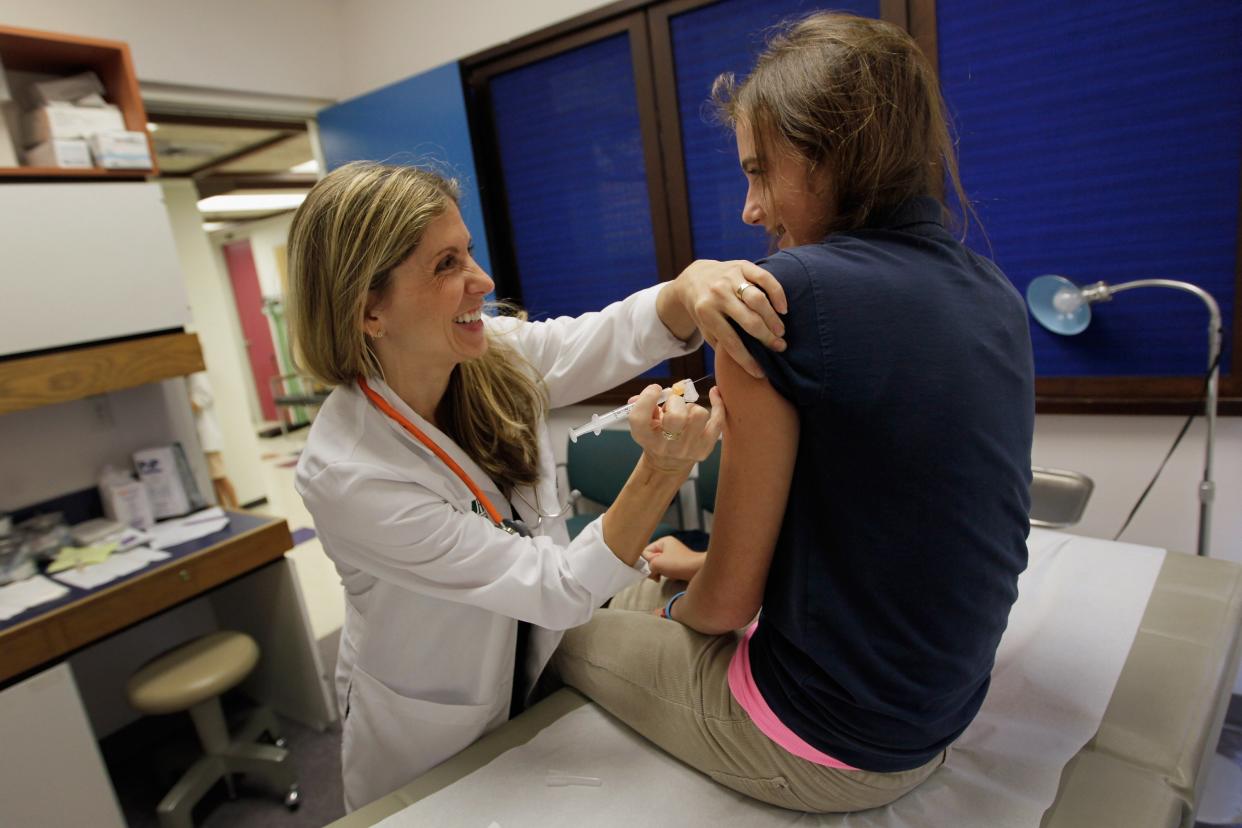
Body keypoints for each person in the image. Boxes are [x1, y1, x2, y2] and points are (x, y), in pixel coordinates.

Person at [551, 12, 1035, 813]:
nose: (749, 209)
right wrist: (700, 569)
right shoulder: (994, 294)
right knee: (655, 576)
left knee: (561, 627)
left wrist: (685, 604)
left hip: (825, 746)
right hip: (938, 713)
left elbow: (730, 609)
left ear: (829, 153)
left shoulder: (778, 301)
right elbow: (883, 532)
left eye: (759, 173)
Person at [286, 161, 789, 810]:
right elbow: (557, 588)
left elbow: (601, 338)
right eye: (445, 265)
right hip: (431, 730)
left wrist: (688, 287)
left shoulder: (486, 357)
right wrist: (661, 468)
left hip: (537, 669)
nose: (482, 280)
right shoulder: (349, 473)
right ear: (369, 311)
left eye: (468, 251)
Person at [188, 371, 239, 509]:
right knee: (214, 481)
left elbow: (203, 399)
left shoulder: (196, 375)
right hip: (204, 440)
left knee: (220, 477)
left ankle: (237, 509)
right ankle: (226, 510)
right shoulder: (190, 377)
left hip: (208, 438)